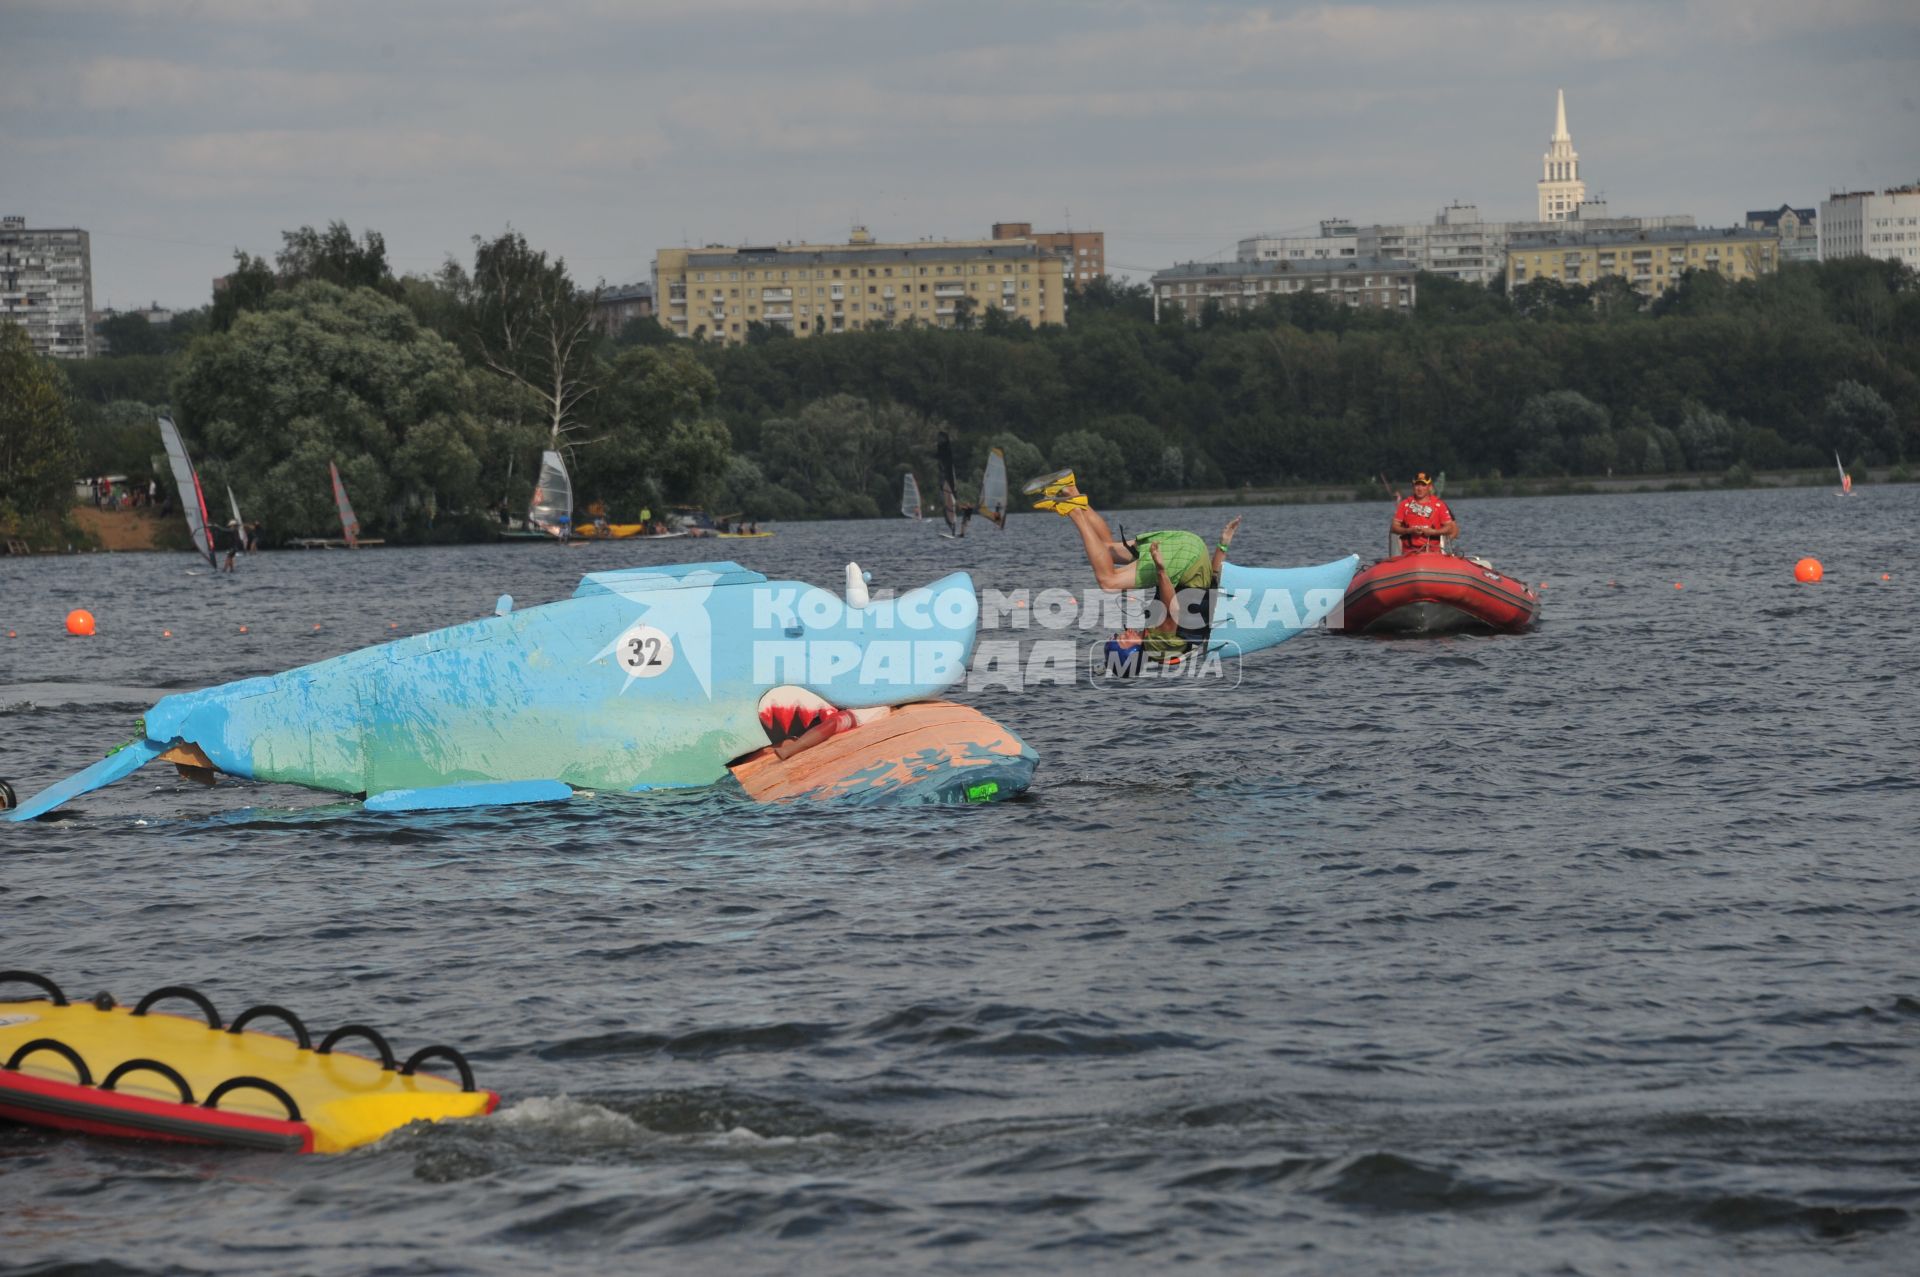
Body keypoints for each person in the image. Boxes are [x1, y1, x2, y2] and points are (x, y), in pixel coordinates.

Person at [1026, 469, 1239, 673]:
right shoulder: (1157, 648)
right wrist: (1162, 570)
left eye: (1119, 637)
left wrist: (1223, 545)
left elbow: (1211, 581)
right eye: (1123, 641)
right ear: (1133, 654)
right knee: (1108, 581)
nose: (1124, 634)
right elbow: (1172, 611)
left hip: (1192, 547)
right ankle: (1073, 509)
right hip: (1183, 558)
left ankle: (1070, 489)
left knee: (1106, 550)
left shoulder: (1176, 646)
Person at [1390, 472, 1458, 555]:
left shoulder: (1439, 505)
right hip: (1409, 554)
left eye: (1423, 485)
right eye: (1417, 485)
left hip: (1433, 553)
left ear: (1429, 487)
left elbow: (1450, 528)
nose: (1420, 488)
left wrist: (1433, 532)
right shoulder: (1404, 504)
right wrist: (1409, 530)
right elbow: (1394, 527)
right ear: (1413, 486)